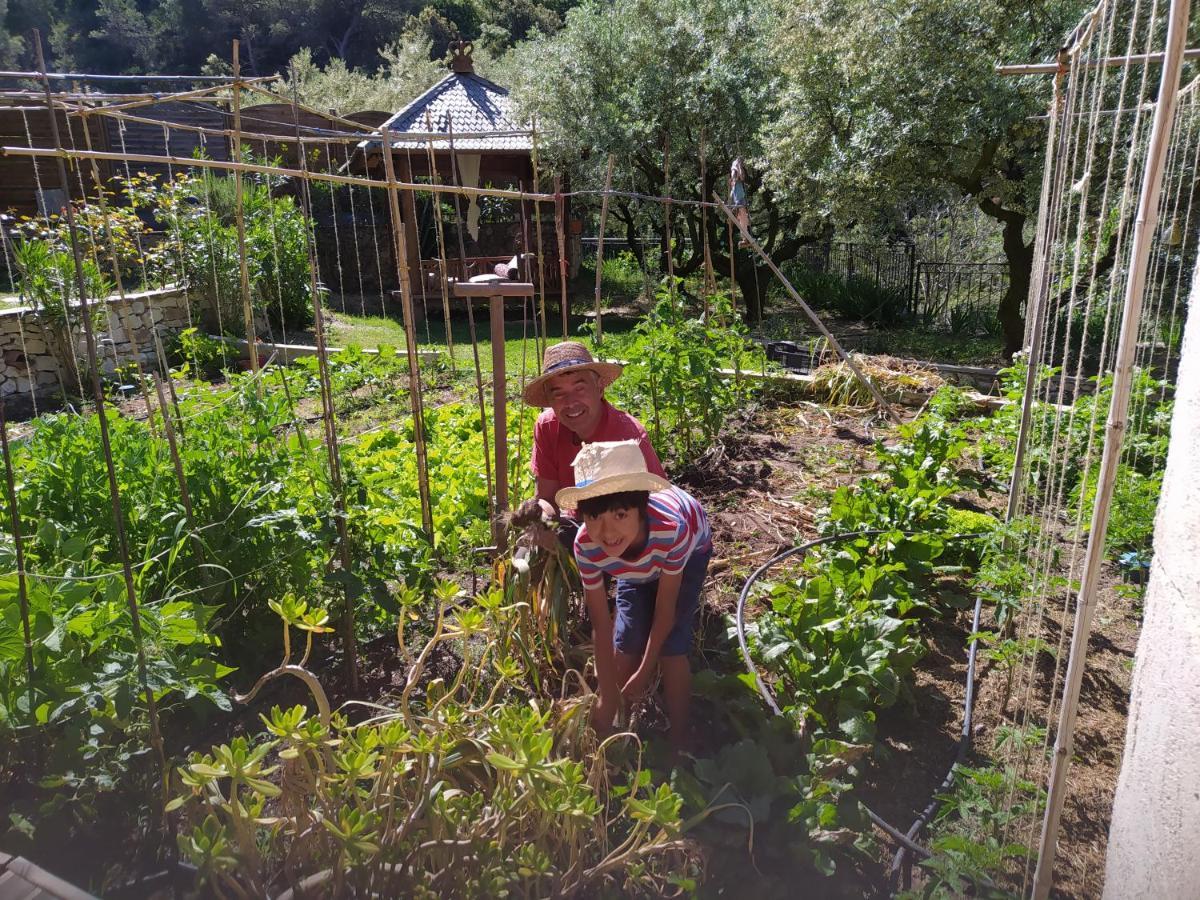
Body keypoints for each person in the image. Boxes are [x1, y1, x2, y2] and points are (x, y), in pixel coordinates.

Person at [556, 440, 713, 753]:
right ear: (583, 515)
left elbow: (666, 607)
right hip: (633, 564)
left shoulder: (672, 529)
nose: (607, 531)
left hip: (688, 554)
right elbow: (602, 624)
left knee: (672, 647)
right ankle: (608, 735)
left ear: (641, 509)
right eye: (594, 517)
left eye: (620, 514)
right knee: (627, 637)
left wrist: (644, 671)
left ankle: (679, 738)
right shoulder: (586, 545)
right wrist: (607, 696)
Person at [514, 341, 666, 547]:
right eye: (558, 393)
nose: (570, 402)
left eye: (580, 388)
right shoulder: (547, 426)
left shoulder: (627, 435)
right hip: (581, 526)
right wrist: (538, 515)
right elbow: (548, 498)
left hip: (630, 533)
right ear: (549, 400)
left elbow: (654, 508)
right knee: (530, 551)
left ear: (599, 388)